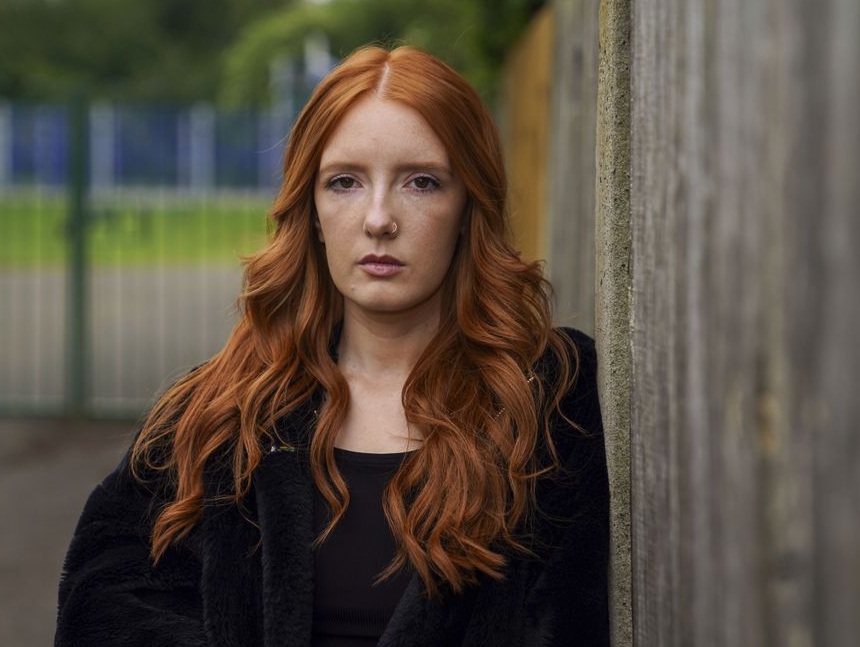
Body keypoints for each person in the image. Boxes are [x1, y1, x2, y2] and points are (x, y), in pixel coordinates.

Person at [55, 45, 611, 647]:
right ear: (312, 210)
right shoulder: (216, 411)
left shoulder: (546, 400)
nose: (378, 219)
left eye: (421, 182)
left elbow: (567, 621)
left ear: (468, 207)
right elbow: (102, 603)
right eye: (344, 182)